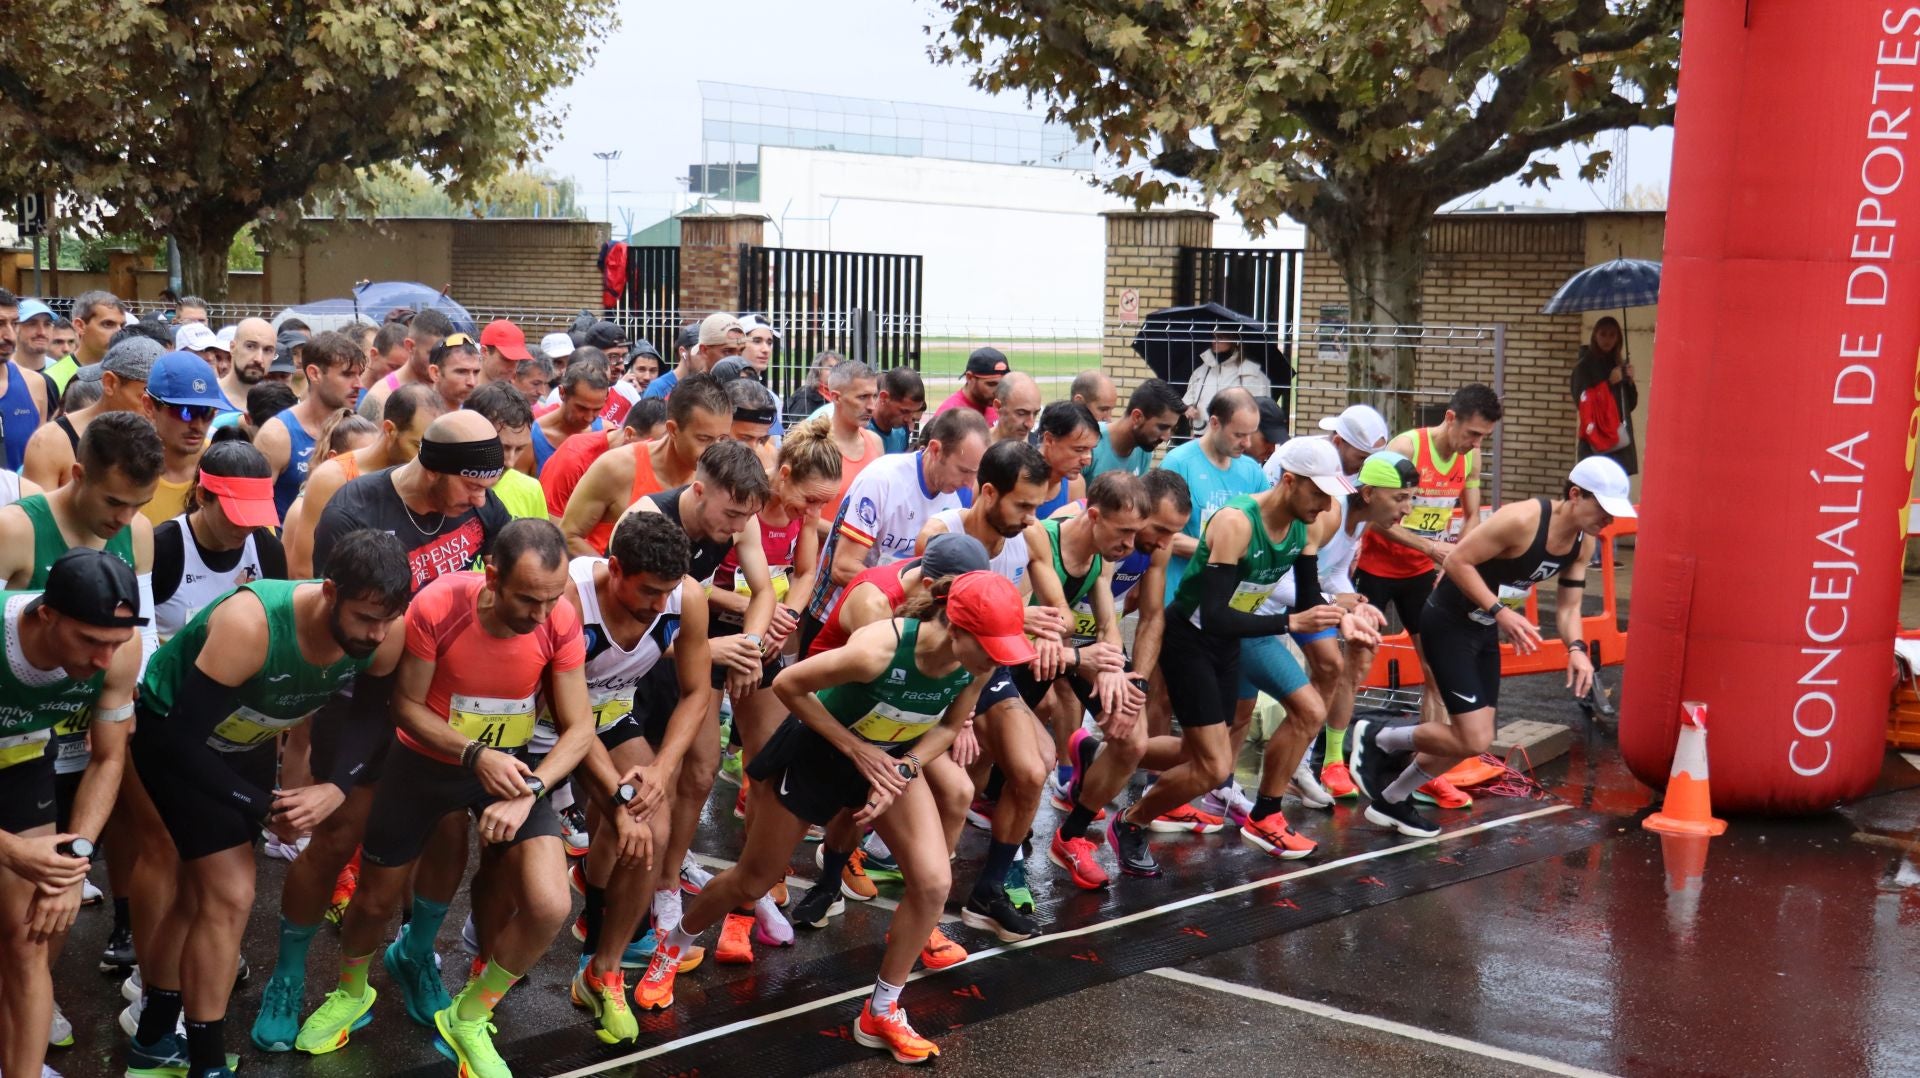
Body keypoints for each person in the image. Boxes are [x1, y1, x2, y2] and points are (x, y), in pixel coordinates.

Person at [634, 571, 1032, 1070]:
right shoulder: (877, 650)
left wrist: (903, 768)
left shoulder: (974, 669)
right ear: (957, 628)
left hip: (888, 763)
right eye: (991, 646)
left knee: (933, 882)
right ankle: (673, 947)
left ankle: (881, 1011)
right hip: (820, 754)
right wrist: (856, 749)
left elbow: (951, 724)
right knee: (753, 879)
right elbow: (788, 683)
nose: (999, 659)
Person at [247, 412, 512, 1055]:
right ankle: (287, 975)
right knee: (340, 831)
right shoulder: (357, 504)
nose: (481, 501)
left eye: (486, 488)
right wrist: (323, 764)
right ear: (432, 465)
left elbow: (507, 573)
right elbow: (345, 624)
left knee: (446, 829)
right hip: (362, 685)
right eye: (471, 487)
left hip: (437, 695)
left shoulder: (481, 505)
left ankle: (415, 952)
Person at [294, 520, 592, 1077]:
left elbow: (579, 729)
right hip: (427, 764)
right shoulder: (438, 605)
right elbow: (405, 707)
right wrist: (475, 756)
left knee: (551, 905)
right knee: (375, 902)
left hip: (513, 772)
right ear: (493, 576)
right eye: (527, 599)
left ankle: (470, 1015)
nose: (540, 614)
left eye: (551, 599)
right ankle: (352, 991)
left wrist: (530, 789)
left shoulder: (559, 619)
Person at [124, 531, 410, 1078]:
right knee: (231, 893)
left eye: (387, 619)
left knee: (197, 895)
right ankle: (207, 1063)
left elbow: (375, 714)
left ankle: (154, 1036)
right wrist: (260, 805)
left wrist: (336, 786)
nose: (375, 634)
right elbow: (176, 741)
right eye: (364, 617)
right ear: (328, 591)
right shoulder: (250, 625)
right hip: (175, 742)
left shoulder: (385, 631)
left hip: (247, 743)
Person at [1352, 456, 1631, 838]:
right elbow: (1458, 560)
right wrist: (1499, 610)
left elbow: (1568, 607)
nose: (1608, 520)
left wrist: (1577, 648)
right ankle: (1376, 734)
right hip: (1448, 622)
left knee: (1474, 738)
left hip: (1482, 630)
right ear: (1575, 494)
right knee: (1476, 738)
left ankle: (1390, 800)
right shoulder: (1522, 520)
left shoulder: (1583, 544)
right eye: (1603, 509)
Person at [1111, 437, 1355, 873]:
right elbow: (1219, 617)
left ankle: (1102, 755)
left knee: (1196, 751)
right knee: (1212, 766)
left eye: (1330, 494)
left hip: (1230, 639)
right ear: (1288, 481)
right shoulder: (1236, 523)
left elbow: (1308, 598)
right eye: (1316, 492)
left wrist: (1345, 611)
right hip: (1192, 636)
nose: (1324, 504)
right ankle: (1131, 823)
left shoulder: (1309, 524)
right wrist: (1290, 624)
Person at [560, 511, 712, 1046]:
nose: (656, 605)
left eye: (665, 592)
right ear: (614, 568)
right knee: (522, 870)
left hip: (608, 714)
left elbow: (696, 691)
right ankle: (482, 952)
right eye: (646, 591)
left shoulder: (685, 597)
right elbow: (571, 722)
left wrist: (660, 769)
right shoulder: (570, 596)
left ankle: (602, 966)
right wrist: (621, 798)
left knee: (653, 826)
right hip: (546, 721)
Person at [0, 550, 144, 1078]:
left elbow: (109, 758)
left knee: (27, 938)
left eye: (117, 643)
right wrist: (14, 850)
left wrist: (71, 861)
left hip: (16, 759)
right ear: (46, 615)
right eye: (91, 641)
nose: (106, 660)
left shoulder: (118, 655)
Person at [1042, 470, 1188, 890]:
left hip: (1097, 645)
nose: (1162, 542)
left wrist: (1135, 682)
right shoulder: (1090, 527)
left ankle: (1070, 835)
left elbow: (1152, 615)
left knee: (1132, 739)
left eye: (1170, 534)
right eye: (1157, 529)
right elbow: (1095, 586)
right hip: (1052, 641)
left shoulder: (1152, 545)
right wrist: (1091, 663)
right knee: (1027, 737)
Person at [1352, 382, 1502, 782]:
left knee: (1435, 668)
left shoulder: (1470, 458)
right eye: (1471, 433)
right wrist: (1432, 547)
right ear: (1450, 418)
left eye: (1483, 437)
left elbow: (1472, 515)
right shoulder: (1407, 448)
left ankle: (1423, 772)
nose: (1474, 443)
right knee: (1358, 663)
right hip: (1376, 566)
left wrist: (1454, 556)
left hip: (1422, 571)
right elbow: (1375, 516)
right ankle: (1331, 754)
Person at [1283, 451, 1418, 800]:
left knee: (1340, 663)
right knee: (1244, 703)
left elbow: (1335, 572)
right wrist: (1336, 606)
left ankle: (1318, 761)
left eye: (1411, 498)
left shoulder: (1360, 520)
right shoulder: (1328, 514)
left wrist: (1356, 603)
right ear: (1369, 492)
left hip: (1306, 600)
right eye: (1401, 498)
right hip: (1274, 600)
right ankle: (1293, 763)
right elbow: (1282, 579)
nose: (1408, 510)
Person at [803, 408, 989, 652]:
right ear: (935, 449)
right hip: (837, 619)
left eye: (976, 472)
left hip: (897, 622)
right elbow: (843, 568)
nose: (968, 483)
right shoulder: (883, 480)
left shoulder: (953, 500)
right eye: (964, 470)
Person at [562, 373, 731, 556]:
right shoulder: (617, 467)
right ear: (673, 430)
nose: (714, 450)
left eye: (723, 439)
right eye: (704, 439)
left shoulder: (719, 477)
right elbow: (569, 536)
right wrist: (615, 577)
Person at [287, 384, 444, 577]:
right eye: (417, 445)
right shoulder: (333, 478)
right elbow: (303, 572)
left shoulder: (430, 474)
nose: (425, 461)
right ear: (389, 430)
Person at [150, 441, 287, 639]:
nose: (246, 526)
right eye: (236, 514)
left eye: (254, 514)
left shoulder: (268, 550)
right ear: (203, 496)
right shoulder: (162, 549)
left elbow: (278, 632)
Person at [1159, 387, 1270, 592]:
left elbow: (1267, 530)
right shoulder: (1178, 464)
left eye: (1251, 435)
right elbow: (1162, 537)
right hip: (1180, 596)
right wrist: (1226, 552)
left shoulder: (1253, 471)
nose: (1247, 443)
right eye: (1238, 434)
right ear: (1215, 423)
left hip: (1226, 602)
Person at [21, 336, 162, 492]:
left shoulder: (164, 437)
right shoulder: (51, 442)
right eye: (144, 399)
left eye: (161, 402)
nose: (154, 411)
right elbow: (37, 514)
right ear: (110, 383)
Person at [257, 331, 364, 520]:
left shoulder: (360, 430)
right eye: (347, 375)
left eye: (359, 375)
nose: (359, 384)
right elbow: (256, 513)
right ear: (314, 374)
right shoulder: (277, 434)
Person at [141, 351, 239, 526]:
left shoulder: (231, 464)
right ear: (149, 406)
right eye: (185, 411)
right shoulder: (127, 473)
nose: (198, 424)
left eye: (207, 412)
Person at [465, 381, 548, 521]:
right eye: (502, 448)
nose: (510, 462)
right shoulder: (447, 489)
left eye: (520, 449)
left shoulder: (530, 489)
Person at [355, 308, 454, 420]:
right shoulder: (381, 398)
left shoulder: (450, 390)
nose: (439, 361)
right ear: (410, 346)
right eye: (432, 353)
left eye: (445, 354)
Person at [1571, 316, 1638, 475]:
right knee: (1594, 493)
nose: (1607, 339)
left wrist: (1629, 382)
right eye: (1603, 334)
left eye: (1612, 335)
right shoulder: (1584, 367)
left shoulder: (1617, 364)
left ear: (1618, 338)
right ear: (1595, 335)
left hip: (1618, 440)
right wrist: (1608, 383)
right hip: (1596, 441)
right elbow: (1582, 402)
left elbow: (1630, 405)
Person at [818, 360, 884, 522]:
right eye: (862, 397)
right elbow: (799, 513)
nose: (871, 406)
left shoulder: (875, 442)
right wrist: (852, 537)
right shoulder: (814, 444)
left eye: (874, 396)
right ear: (836, 397)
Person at [528, 354, 609, 475]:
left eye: (597, 409)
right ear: (562, 393)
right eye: (581, 408)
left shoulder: (607, 433)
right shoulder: (532, 436)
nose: (589, 417)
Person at [1087, 378, 1182, 480]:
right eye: (1162, 427)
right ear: (1137, 417)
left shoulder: (1144, 450)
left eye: (1172, 429)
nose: (1166, 437)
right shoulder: (1089, 443)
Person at [0, 290, 53, 470]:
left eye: (14, 324)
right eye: (0, 324)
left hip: (23, 496)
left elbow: (40, 462)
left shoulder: (35, 384)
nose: (9, 335)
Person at [1181, 331, 1270, 437]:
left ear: (1235, 340)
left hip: (1235, 438)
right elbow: (1187, 402)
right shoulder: (1201, 371)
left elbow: (1259, 412)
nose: (1214, 341)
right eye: (1213, 336)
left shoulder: (1252, 373)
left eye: (1221, 337)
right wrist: (1188, 408)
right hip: (1202, 437)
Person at [645, 312, 741, 400]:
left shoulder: (711, 385)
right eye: (699, 352)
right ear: (683, 352)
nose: (705, 358)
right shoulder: (658, 388)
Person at [1033, 401, 1099, 518]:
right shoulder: (1016, 479)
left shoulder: (1075, 485)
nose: (1087, 461)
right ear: (1049, 440)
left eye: (1090, 450)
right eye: (1079, 449)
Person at [735, 314, 786, 437]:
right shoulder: (721, 392)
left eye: (769, 342)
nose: (766, 349)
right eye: (757, 341)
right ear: (739, 345)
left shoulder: (772, 399)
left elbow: (775, 447)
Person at [934, 347, 1008, 421]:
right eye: (991, 384)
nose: (998, 391)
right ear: (969, 377)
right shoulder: (949, 416)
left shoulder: (997, 406)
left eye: (1001, 384)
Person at [217, 318, 277, 410]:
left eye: (267, 350)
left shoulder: (276, 405)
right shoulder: (208, 396)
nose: (259, 359)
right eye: (250, 346)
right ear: (232, 347)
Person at [870, 367, 926, 454]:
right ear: (884, 398)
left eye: (913, 413)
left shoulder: (901, 432)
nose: (908, 420)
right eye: (904, 411)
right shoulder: (860, 430)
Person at [788, 349, 840, 423]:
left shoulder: (838, 398)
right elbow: (797, 431)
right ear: (818, 371)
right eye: (830, 367)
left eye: (838, 367)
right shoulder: (805, 398)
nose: (835, 371)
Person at [989, 372, 1042, 444]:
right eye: (1021, 413)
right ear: (998, 407)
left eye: (1035, 414)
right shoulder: (976, 449)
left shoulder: (1038, 450)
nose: (1030, 424)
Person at [478, 319, 532, 387]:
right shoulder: (464, 393)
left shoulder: (518, 395)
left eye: (517, 361)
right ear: (484, 352)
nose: (513, 368)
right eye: (506, 359)